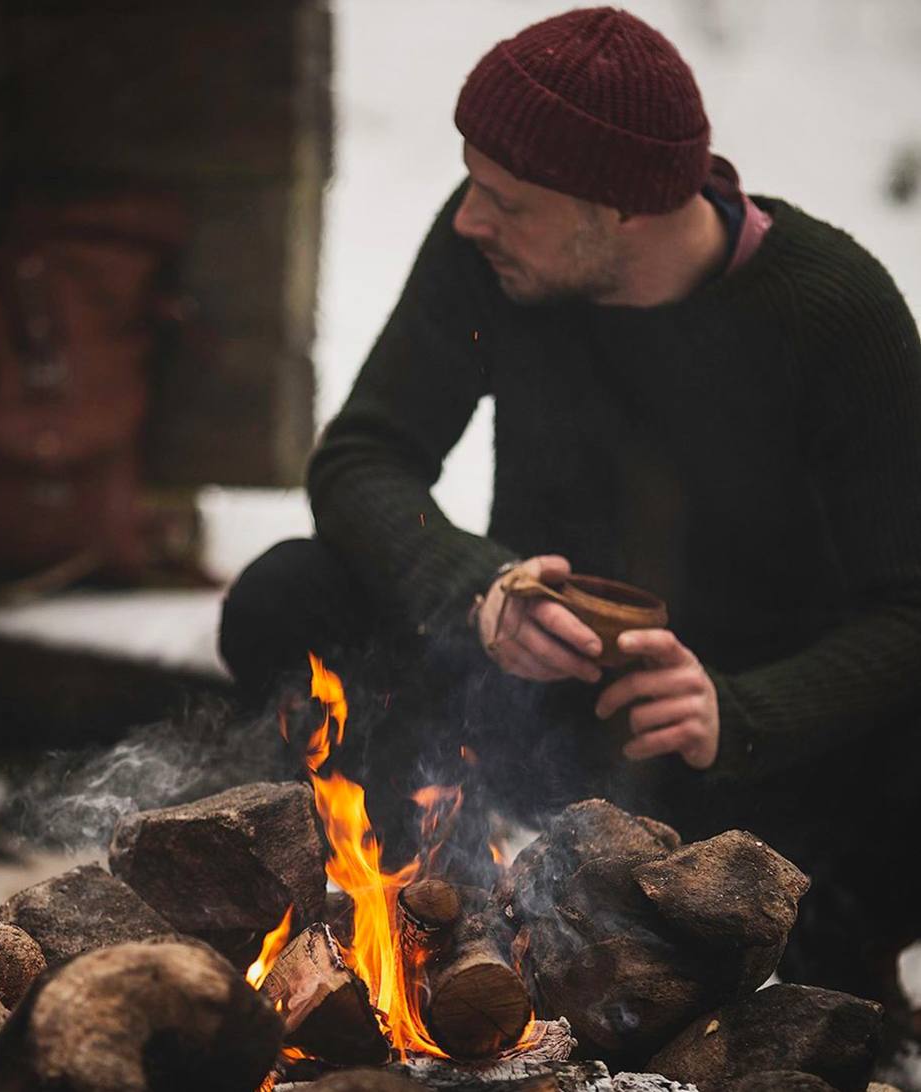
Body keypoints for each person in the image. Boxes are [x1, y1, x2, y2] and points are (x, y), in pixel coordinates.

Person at [221, 6, 921, 1017]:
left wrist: (743, 712)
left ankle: (823, 978)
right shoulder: (491, 253)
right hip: (528, 718)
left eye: (506, 200)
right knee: (289, 593)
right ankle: (446, 915)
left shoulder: (827, 309)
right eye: (471, 183)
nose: (469, 217)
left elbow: (909, 602)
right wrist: (474, 590)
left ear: (622, 209)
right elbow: (364, 455)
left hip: (749, 769)